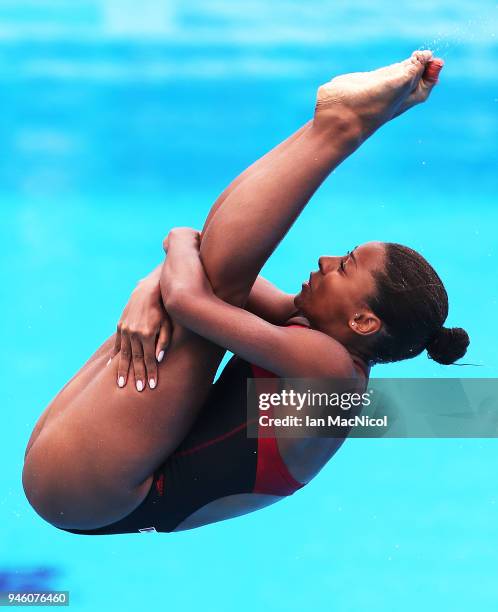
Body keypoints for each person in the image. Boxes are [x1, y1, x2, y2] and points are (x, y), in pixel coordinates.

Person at [22, 50, 469, 535]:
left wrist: (168, 256)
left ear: (364, 321)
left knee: (216, 283)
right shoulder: (310, 336)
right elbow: (207, 264)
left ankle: (339, 128)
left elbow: (190, 299)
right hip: (86, 481)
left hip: (97, 490)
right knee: (219, 275)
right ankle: (337, 125)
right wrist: (153, 281)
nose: (324, 261)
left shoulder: (332, 372)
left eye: (344, 267)